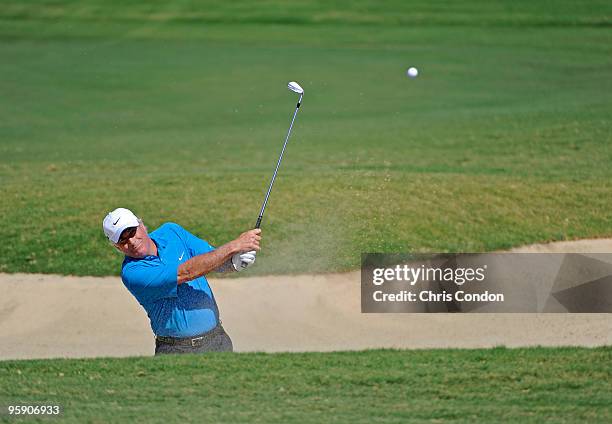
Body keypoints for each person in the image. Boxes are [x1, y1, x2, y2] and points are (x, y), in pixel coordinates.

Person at [102, 207, 261, 355]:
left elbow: (214, 259)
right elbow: (186, 272)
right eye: (122, 240)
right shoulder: (133, 273)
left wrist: (235, 262)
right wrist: (234, 246)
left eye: (131, 232)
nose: (131, 241)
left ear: (141, 225)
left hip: (217, 340)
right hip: (176, 350)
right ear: (117, 247)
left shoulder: (172, 232)